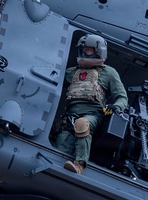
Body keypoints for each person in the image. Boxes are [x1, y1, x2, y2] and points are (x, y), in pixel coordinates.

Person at [54, 34, 128, 174]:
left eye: (88, 50)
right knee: (62, 141)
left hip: (93, 115)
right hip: (69, 117)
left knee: (82, 124)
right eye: (83, 49)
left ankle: (80, 165)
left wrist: (117, 107)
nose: (84, 52)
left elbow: (122, 97)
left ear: (99, 51)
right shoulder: (72, 72)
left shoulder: (109, 73)